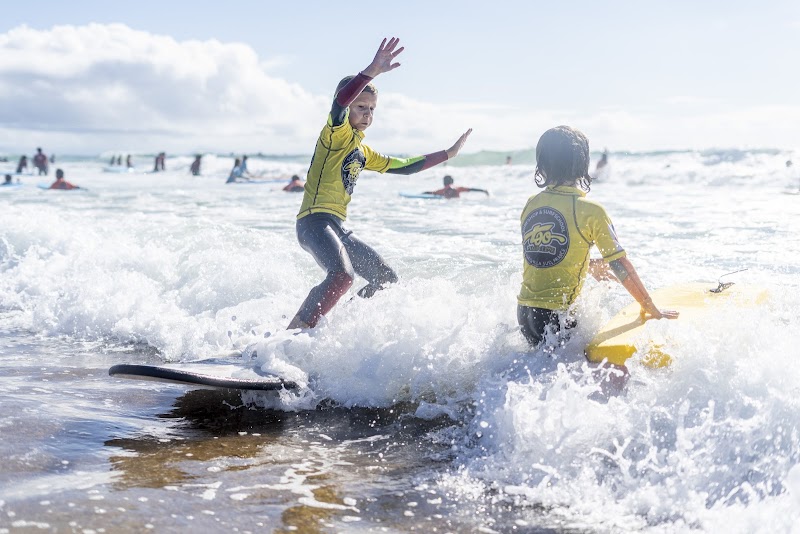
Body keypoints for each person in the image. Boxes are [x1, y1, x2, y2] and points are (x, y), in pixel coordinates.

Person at [287, 37, 472, 330]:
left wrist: (448, 154)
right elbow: (339, 103)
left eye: (372, 109)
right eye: (361, 106)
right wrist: (372, 70)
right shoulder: (334, 135)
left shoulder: (363, 152)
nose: (367, 114)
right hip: (312, 222)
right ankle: (292, 337)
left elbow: (405, 166)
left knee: (386, 279)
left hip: (337, 226)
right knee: (342, 276)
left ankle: (337, 329)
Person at [517, 125, 677, 348]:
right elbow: (619, 263)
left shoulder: (531, 204)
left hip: (525, 313)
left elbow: (543, 255)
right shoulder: (590, 211)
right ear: (583, 163)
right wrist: (650, 306)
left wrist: (588, 265)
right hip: (556, 317)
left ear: (542, 163)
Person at [424, 175, 488, 199]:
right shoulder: (458, 188)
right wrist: (483, 191)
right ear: (452, 181)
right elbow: (471, 189)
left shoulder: (442, 190)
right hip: (456, 203)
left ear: (444, 182)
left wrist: (423, 193)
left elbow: (430, 193)